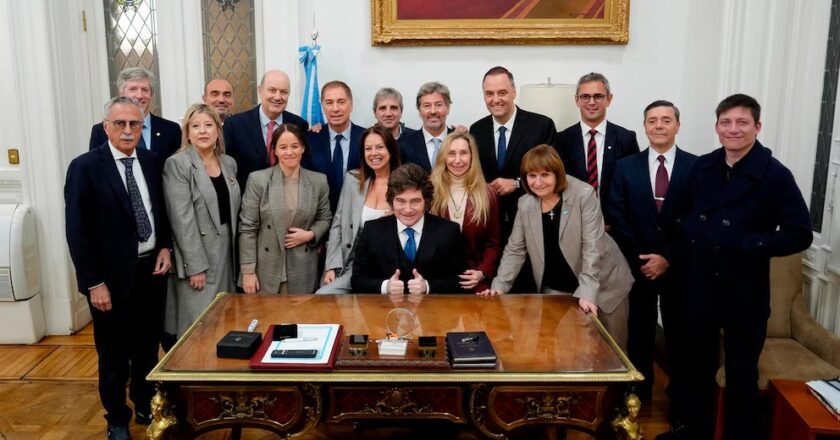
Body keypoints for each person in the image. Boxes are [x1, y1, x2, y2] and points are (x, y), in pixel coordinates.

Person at [669, 94, 812, 440]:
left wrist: (749, 242)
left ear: (757, 127)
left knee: (741, 374)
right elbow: (677, 216)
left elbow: (800, 234)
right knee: (697, 370)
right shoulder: (701, 167)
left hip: (744, 290)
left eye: (742, 122)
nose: (733, 130)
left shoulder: (775, 175)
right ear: (717, 127)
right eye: (726, 122)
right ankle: (692, 432)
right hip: (700, 284)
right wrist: (696, 234)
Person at [66, 96, 172, 440]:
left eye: (135, 124)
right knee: (113, 355)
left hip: (150, 276)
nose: (128, 130)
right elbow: (77, 231)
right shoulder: (84, 167)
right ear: (106, 126)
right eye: (120, 124)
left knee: (146, 348)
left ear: (143, 127)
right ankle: (116, 417)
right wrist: (93, 283)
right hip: (109, 282)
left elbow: (162, 213)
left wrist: (166, 247)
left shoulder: (153, 162)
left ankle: (143, 403)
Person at [480, 145, 633, 350]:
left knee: (611, 352)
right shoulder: (525, 204)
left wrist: (588, 293)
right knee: (564, 353)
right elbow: (515, 250)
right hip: (557, 289)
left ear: (558, 174)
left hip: (604, 286)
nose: (538, 182)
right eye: (532, 175)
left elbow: (592, 246)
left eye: (545, 174)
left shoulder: (583, 194)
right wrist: (499, 287)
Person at [608, 100, 697, 406]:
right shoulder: (625, 166)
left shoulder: (696, 167)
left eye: (666, 120)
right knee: (639, 333)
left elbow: (698, 217)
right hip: (637, 265)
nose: (659, 126)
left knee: (679, 333)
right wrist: (641, 258)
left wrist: (668, 257)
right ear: (644, 126)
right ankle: (639, 390)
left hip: (679, 267)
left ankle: (680, 394)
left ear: (677, 125)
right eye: (652, 120)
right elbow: (617, 215)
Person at [163, 103, 241, 337]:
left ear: (218, 130)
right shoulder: (177, 164)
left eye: (208, 125)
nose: (203, 131)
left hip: (228, 252)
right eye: (195, 126)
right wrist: (195, 266)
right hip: (198, 255)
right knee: (198, 325)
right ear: (187, 132)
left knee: (225, 321)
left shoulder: (229, 163)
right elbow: (182, 220)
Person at [238, 123, 332, 294]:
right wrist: (248, 272)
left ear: (303, 148)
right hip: (266, 268)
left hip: (303, 267)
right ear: (275, 150)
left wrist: (310, 235)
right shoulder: (258, 180)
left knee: (299, 318)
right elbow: (247, 228)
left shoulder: (318, 181)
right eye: (283, 147)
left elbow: (325, 218)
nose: (289, 152)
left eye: (295, 146)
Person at [469, 66, 557, 241]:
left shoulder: (541, 126)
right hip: (490, 225)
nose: (496, 100)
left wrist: (517, 183)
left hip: (534, 220)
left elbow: (554, 175)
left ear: (514, 92)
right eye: (489, 94)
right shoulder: (476, 130)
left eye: (502, 92)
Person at [351, 163, 466, 294]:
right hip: (384, 311)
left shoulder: (449, 232)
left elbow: (460, 282)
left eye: (415, 201)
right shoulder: (372, 230)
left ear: (426, 201)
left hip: (434, 311)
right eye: (401, 201)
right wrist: (385, 286)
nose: (408, 209)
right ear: (391, 201)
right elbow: (357, 280)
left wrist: (428, 286)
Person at [317, 126, 401, 294]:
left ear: (391, 150)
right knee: (324, 296)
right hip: (351, 264)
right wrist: (331, 266)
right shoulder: (353, 180)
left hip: (389, 266)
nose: (373, 153)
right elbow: (337, 225)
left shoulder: (404, 183)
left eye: (380, 147)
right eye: (368, 148)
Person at [557, 72, 639, 218]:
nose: (592, 102)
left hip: (614, 224)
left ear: (609, 99)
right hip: (573, 221)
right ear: (577, 100)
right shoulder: (562, 139)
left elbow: (634, 186)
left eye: (598, 96)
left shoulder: (626, 139)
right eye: (585, 96)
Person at [429, 132, 501, 293]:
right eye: (451, 153)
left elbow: (493, 244)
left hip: (474, 281)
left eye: (464, 153)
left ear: (472, 156)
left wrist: (482, 273)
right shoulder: (429, 191)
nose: (457, 160)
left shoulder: (488, 194)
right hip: (436, 281)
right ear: (443, 158)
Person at [224, 70, 310, 189]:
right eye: (272, 90)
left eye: (283, 92)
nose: (278, 97)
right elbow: (227, 169)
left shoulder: (300, 125)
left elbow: (304, 166)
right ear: (260, 90)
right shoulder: (235, 125)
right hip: (249, 201)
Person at [88, 67, 181, 160]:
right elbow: (95, 167)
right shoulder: (102, 130)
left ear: (151, 94)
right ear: (121, 93)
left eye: (145, 90)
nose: (140, 96)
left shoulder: (171, 130)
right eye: (133, 89)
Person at [303, 80, 365, 212]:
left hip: (357, 215)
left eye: (341, 102)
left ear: (351, 105)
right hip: (319, 216)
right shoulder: (310, 139)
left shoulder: (367, 138)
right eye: (329, 102)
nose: (335, 109)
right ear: (323, 107)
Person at [398, 82, 457, 172]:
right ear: (419, 110)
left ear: (448, 108)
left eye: (438, 105)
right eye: (427, 106)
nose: (433, 111)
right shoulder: (404, 145)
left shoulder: (459, 140)